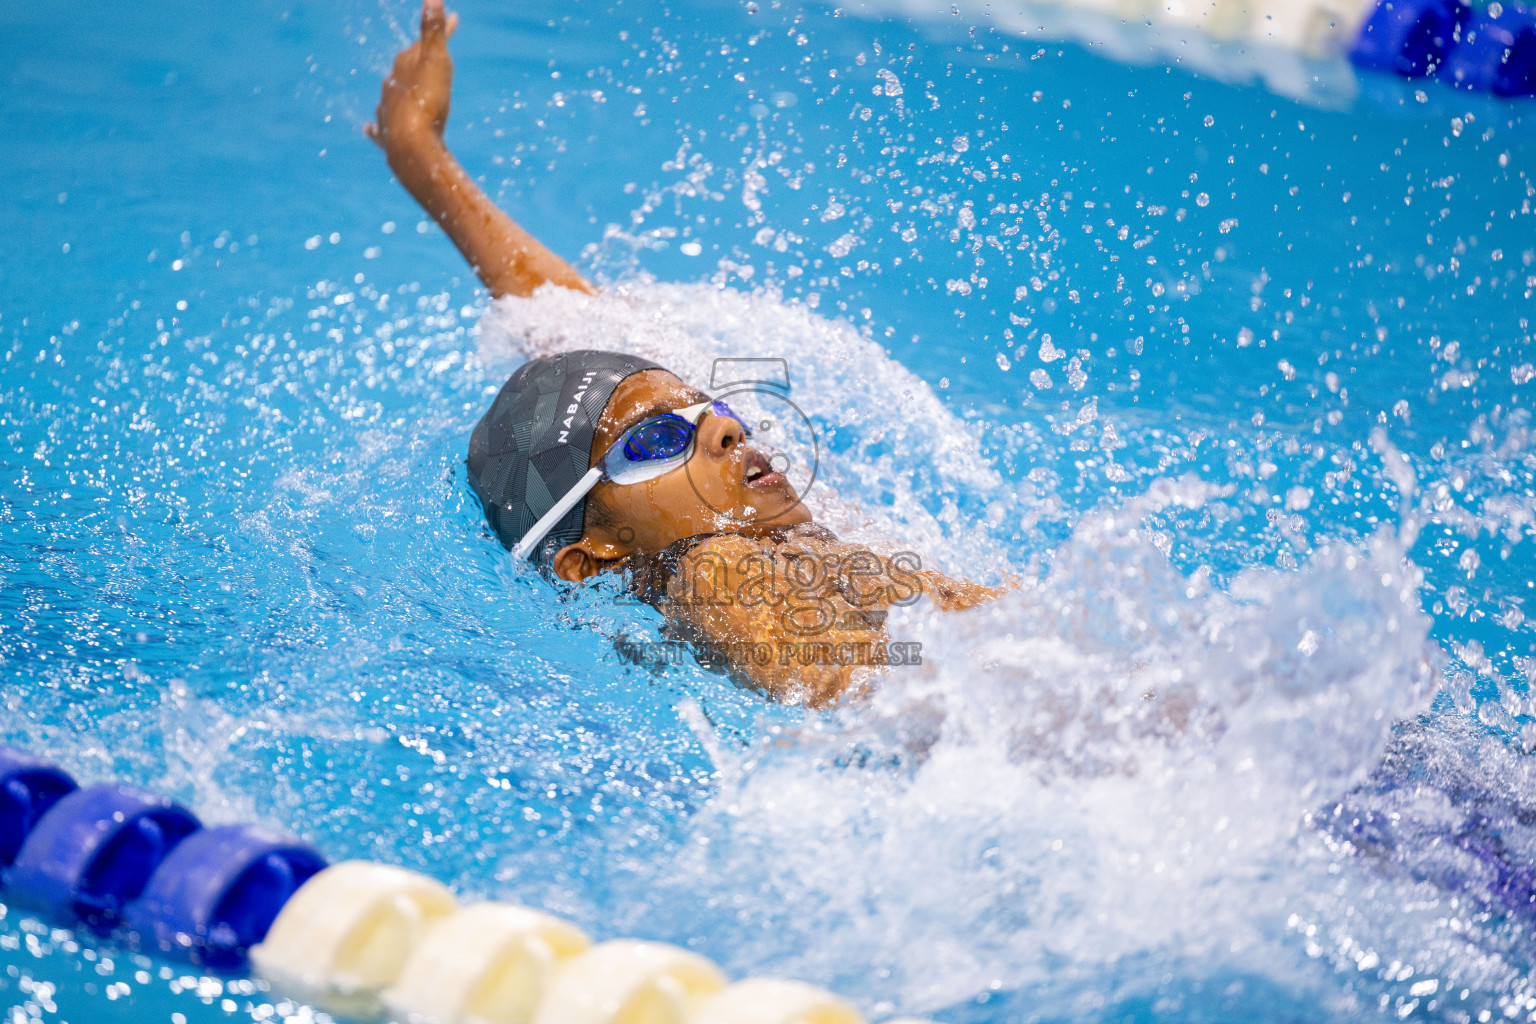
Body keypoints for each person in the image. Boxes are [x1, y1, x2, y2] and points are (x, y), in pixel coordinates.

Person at [367, 0, 1002, 707]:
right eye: (662, 438)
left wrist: (418, 154)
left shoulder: (766, 535)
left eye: (709, 407)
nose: (728, 428)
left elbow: (562, 316)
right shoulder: (714, 565)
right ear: (592, 552)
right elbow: (878, 704)